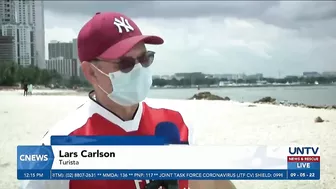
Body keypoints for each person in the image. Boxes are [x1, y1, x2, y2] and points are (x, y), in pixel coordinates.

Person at [21, 12, 236, 189]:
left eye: (144, 59)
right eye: (124, 64)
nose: (138, 69)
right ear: (91, 73)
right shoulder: (56, 145)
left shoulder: (179, 125)